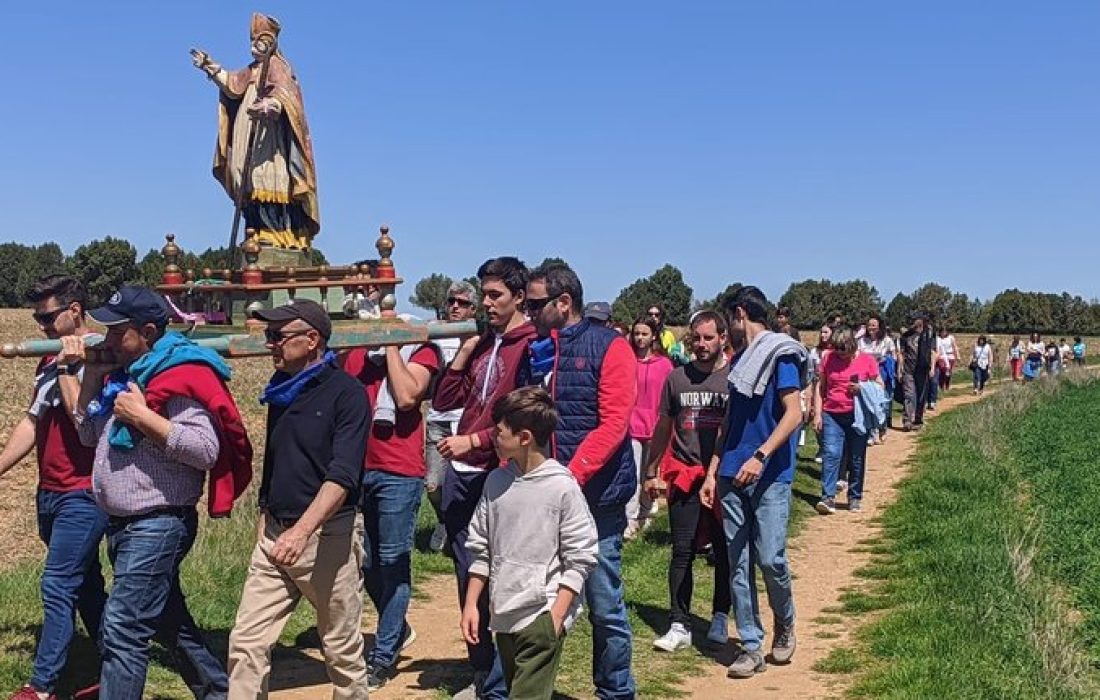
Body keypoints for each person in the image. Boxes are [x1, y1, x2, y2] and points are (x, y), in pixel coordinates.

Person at [58, 286, 253, 699]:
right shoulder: (130, 376)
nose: (107, 340)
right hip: (126, 525)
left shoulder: (177, 375)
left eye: (117, 332)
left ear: (147, 331)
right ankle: (221, 694)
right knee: (169, 622)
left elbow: (205, 449)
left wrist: (144, 417)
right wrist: (90, 377)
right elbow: (90, 433)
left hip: (158, 522)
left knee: (123, 628)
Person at [226, 300, 370, 698]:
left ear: (312, 340)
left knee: (341, 650)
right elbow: (276, 460)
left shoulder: (348, 394)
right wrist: (265, 515)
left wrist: (302, 531)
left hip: (327, 539)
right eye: (268, 336)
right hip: (276, 535)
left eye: (278, 336)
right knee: (246, 643)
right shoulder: (281, 389)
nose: (270, 344)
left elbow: (342, 475)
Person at [526, 263, 638, 699]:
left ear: (564, 302)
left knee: (603, 602)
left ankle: (615, 690)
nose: (530, 311)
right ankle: (528, 688)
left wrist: (570, 477)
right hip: (545, 494)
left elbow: (613, 423)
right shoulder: (539, 348)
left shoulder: (610, 347)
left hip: (597, 497)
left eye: (537, 304)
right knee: (535, 601)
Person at [432, 256, 537, 699]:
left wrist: (474, 442)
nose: (487, 303)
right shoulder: (480, 342)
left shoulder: (530, 346)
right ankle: (483, 670)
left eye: (496, 295)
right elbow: (443, 399)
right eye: (484, 295)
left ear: (518, 296)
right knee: (465, 569)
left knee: (500, 576)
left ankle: (499, 679)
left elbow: (526, 415)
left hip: (501, 472)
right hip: (462, 472)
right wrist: (463, 353)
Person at [2, 277, 105, 700]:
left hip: (86, 493)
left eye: (48, 317)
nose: (42, 326)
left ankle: (42, 687)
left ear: (75, 310)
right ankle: (113, 662)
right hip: (51, 490)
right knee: (86, 585)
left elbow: (84, 423)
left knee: (58, 584)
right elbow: (32, 422)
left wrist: (68, 365)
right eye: (36, 318)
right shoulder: (48, 360)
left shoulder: (101, 356)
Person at [461, 386, 599, 700]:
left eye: (499, 432)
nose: (493, 438)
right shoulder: (496, 482)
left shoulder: (561, 487)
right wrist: (472, 604)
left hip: (541, 614)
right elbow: (480, 547)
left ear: (524, 438)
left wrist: (556, 617)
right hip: (503, 615)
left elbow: (582, 555)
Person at [700, 286, 806, 679]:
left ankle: (785, 621)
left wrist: (760, 456)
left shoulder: (780, 355)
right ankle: (750, 643)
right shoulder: (740, 362)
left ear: (740, 313)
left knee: (771, 558)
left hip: (771, 473)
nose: (726, 328)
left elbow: (794, 413)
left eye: (728, 319)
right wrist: (713, 470)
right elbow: (730, 421)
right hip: (731, 473)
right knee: (737, 564)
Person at [342, 335, 441, 689]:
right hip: (356, 468)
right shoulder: (351, 352)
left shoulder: (422, 351)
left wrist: (392, 346)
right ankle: (396, 629)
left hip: (399, 470)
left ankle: (382, 656)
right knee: (364, 562)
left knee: (393, 560)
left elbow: (406, 397)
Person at [642, 311, 732, 653]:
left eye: (709, 337)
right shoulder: (677, 379)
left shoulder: (733, 379)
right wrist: (651, 470)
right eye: (697, 338)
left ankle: (721, 615)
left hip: (722, 477)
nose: (702, 344)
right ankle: (679, 622)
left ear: (723, 337)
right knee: (681, 551)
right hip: (684, 472)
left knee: (724, 551)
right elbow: (664, 426)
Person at [191, 13, 319, 249]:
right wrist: (208, 66)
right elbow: (232, 84)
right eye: (252, 42)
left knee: (268, 176)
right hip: (246, 130)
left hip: (269, 137)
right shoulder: (252, 70)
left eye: (258, 42)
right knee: (245, 177)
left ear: (269, 42)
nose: (253, 47)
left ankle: (277, 235)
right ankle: (254, 231)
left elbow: (289, 99)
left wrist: (272, 105)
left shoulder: (279, 67)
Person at [424, 281, 479, 552]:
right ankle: (444, 520)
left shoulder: (478, 337)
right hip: (438, 417)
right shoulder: (434, 332)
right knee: (433, 484)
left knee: (462, 480)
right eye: (452, 301)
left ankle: (462, 530)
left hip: (465, 419)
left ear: (473, 308)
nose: (456, 307)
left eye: (463, 303)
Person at [813, 326, 882, 514]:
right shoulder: (828, 358)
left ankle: (854, 496)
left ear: (852, 346)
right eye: (837, 350)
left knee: (856, 457)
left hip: (857, 416)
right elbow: (821, 387)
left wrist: (862, 388)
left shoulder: (867, 361)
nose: (840, 355)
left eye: (843, 351)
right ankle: (827, 497)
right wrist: (817, 413)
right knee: (831, 453)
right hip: (832, 414)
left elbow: (880, 386)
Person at [625, 316, 674, 538]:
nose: (640, 338)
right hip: (632, 424)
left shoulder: (664, 364)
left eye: (644, 334)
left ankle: (645, 513)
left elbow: (669, 395)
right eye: (636, 334)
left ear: (653, 336)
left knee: (649, 472)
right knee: (633, 473)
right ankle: (630, 518)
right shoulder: (627, 360)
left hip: (656, 425)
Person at [858, 314, 896, 441]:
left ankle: (882, 427)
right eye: (869, 325)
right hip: (866, 375)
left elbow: (894, 355)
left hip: (883, 374)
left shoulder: (887, 340)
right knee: (868, 402)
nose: (871, 327)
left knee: (883, 403)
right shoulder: (861, 341)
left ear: (880, 327)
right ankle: (871, 433)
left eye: (873, 325)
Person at [897, 313, 935, 431]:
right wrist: (900, 369)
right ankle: (907, 421)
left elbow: (933, 352)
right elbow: (901, 353)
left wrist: (932, 367)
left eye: (917, 320)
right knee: (909, 394)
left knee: (920, 395)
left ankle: (918, 419)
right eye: (913, 320)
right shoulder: (906, 336)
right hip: (908, 369)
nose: (914, 322)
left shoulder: (929, 335)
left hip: (923, 369)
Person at [807, 324, 832, 464]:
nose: (823, 335)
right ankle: (822, 446)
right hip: (817, 385)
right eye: (821, 332)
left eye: (826, 332)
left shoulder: (835, 352)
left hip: (830, 387)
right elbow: (810, 372)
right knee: (816, 417)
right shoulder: (815, 352)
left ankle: (828, 448)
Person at [933, 326, 959, 403]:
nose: (943, 333)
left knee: (948, 373)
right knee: (942, 371)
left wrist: (957, 355)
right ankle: (942, 386)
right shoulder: (938, 339)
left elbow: (954, 347)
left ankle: (947, 385)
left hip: (950, 356)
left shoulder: (951, 338)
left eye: (945, 332)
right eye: (942, 332)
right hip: (942, 356)